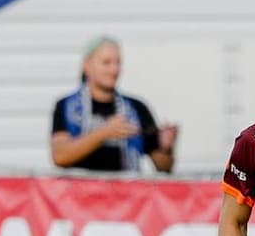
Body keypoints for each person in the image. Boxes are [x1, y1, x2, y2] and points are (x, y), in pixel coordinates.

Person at [50, 37, 176, 172]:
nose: (114, 70)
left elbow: (163, 167)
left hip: (126, 192)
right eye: (106, 63)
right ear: (86, 65)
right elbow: (60, 157)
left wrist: (166, 148)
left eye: (118, 63)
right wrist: (104, 133)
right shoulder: (66, 106)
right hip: (80, 192)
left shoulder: (137, 108)